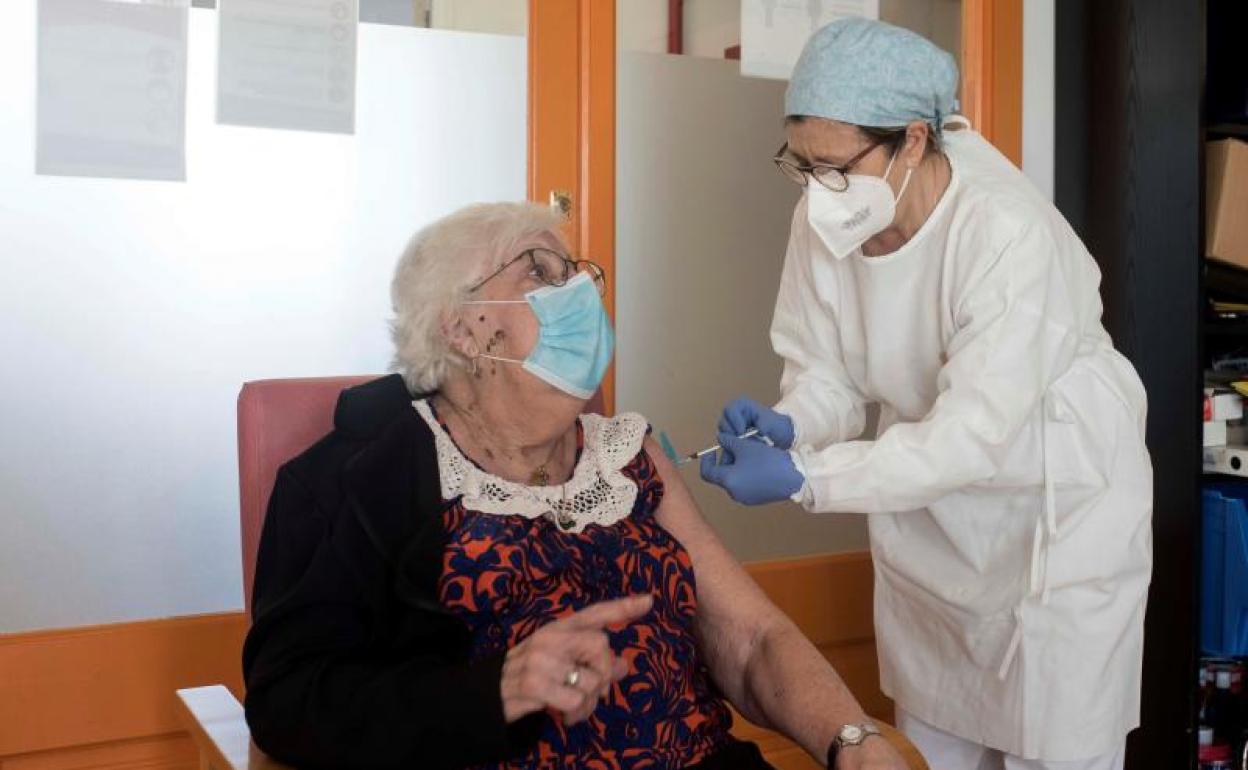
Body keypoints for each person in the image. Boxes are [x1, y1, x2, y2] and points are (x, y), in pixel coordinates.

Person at [242, 201, 912, 769]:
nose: (583, 291)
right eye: (541, 271)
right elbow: (289, 699)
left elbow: (752, 639)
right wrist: (494, 691)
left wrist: (853, 742)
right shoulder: (358, 476)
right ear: (464, 328)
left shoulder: (626, 456)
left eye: (576, 272)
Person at [700, 18, 1153, 770]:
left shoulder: (1006, 232)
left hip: (1053, 524)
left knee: (1056, 745)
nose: (817, 189)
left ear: (913, 140)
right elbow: (827, 372)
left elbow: (969, 437)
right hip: (932, 529)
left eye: (835, 166)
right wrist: (792, 424)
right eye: (801, 164)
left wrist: (807, 477)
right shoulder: (828, 213)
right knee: (933, 741)